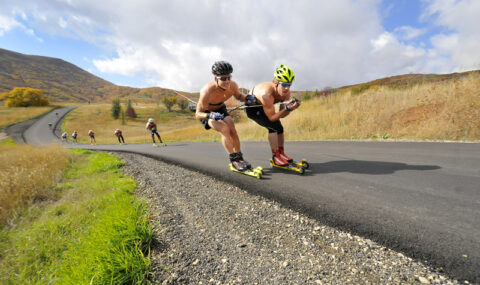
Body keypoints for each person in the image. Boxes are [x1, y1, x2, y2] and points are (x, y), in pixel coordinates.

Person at [195, 60, 255, 171]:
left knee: (232, 128)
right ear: (215, 79)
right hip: (207, 112)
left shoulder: (232, 85)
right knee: (224, 129)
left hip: (220, 108)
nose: (227, 81)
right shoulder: (206, 91)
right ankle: (233, 160)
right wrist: (211, 116)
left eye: (229, 77)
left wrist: (247, 98)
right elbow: (198, 114)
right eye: (223, 78)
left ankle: (240, 158)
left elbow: (239, 96)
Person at [244, 64, 301, 166]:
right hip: (253, 108)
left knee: (280, 128)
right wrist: (287, 109)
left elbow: (282, 114)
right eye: (284, 85)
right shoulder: (266, 94)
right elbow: (271, 118)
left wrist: (290, 109)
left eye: (289, 84)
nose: (287, 88)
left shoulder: (287, 93)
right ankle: (276, 157)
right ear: (275, 82)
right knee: (273, 127)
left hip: (266, 106)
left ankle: (281, 153)